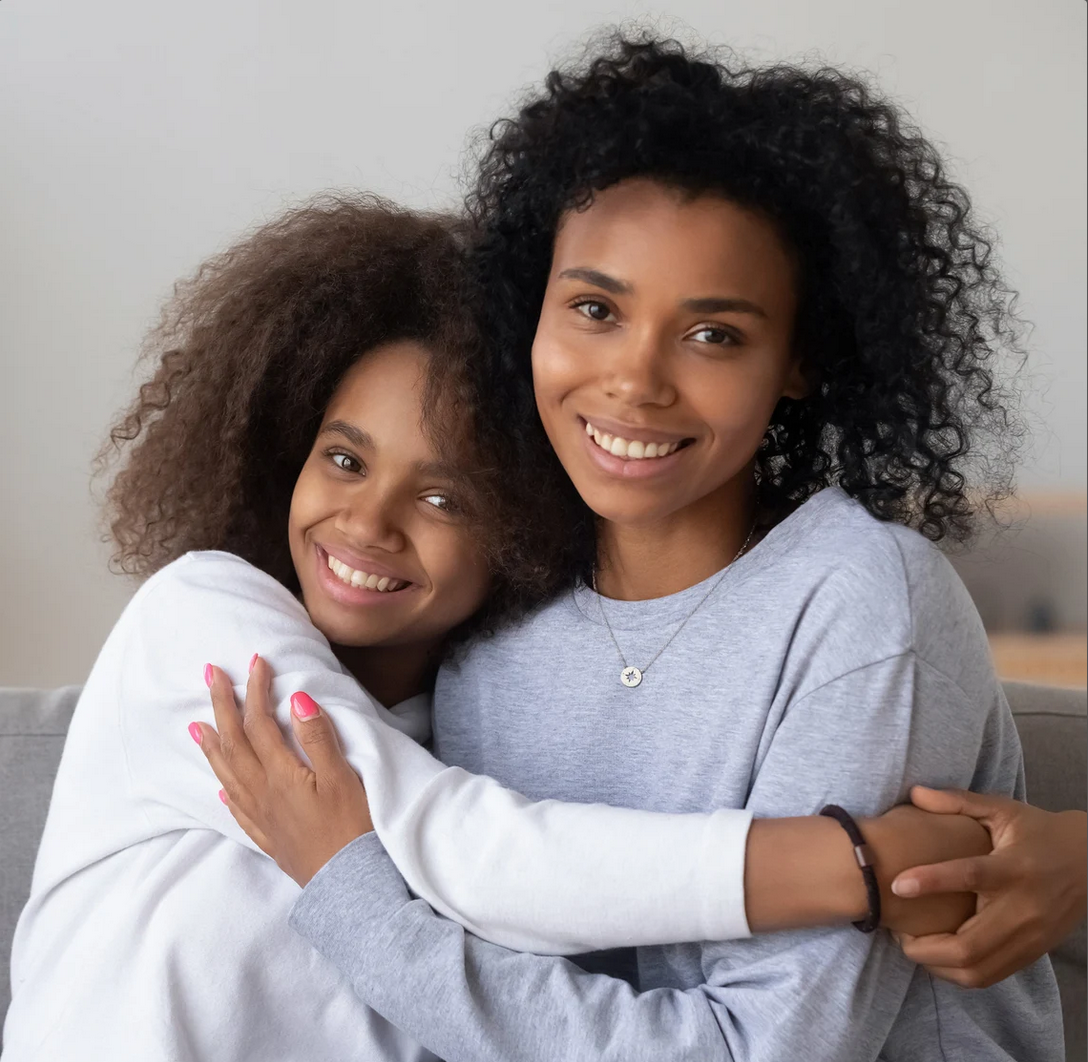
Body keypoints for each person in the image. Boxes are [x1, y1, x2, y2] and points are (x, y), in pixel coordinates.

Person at [200, 37, 1073, 1061]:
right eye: (595, 310)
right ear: (528, 312)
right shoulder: (492, 619)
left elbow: (764, 1050)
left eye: (713, 335)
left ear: (798, 359)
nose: (634, 382)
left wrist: (349, 895)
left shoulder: (861, 603)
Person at [1, 196, 989, 1062]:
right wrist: (847, 862)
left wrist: (1055, 853)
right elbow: (467, 849)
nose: (368, 522)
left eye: (444, 498)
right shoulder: (202, 622)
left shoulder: (471, 706)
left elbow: (483, 962)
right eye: (344, 460)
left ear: (518, 531)